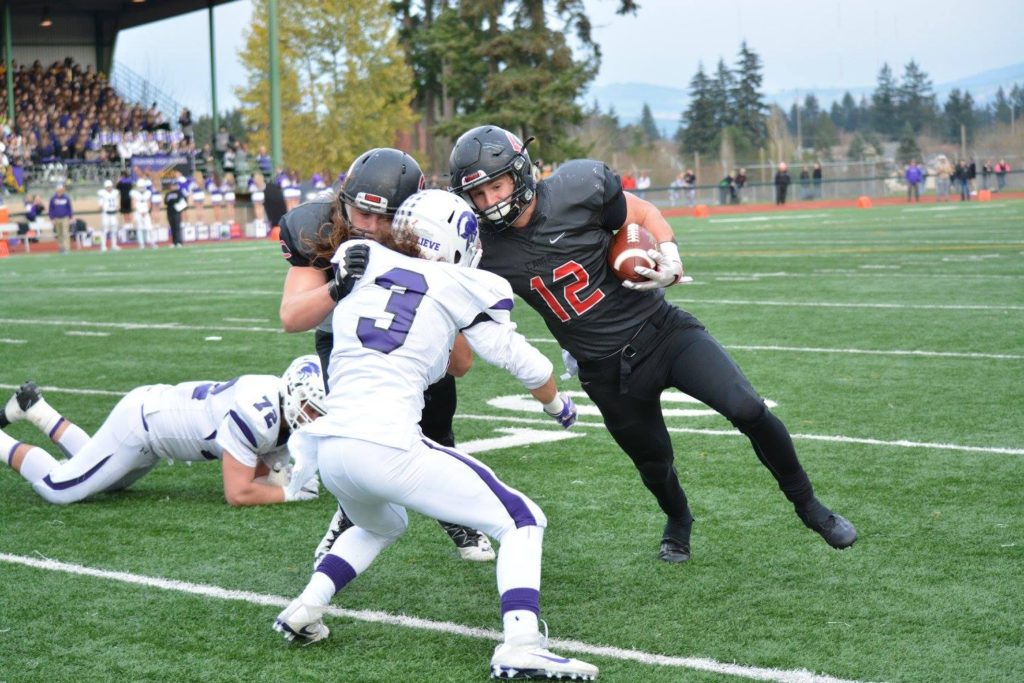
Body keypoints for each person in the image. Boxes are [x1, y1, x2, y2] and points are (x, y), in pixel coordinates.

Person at [448, 125, 856, 563]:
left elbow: (643, 214)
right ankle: (678, 519)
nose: (490, 202)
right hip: (604, 369)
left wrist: (670, 254)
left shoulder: (577, 189)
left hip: (663, 332)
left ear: (520, 172)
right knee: (654, 463)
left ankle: (810, 506)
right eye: (479, 194)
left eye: (497, 185)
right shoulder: (481, 250)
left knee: (748, 408)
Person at [272, 189, 597, 681]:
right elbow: (517, 359)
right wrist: (557, 403)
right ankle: (522, 643)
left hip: (333, 446)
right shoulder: (462, 281)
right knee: (523, 520)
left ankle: (305, 609)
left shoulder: (357, 259)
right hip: (387, 442)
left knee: (382, 525)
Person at [277, 147, 494, 563]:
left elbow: (461, 364)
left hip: (413, 335)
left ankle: (452, 513)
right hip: (344, 337)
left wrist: (441, 302)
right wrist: (336, 287)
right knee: (357, 432)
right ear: (344, 203)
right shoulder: (316, 227)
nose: (372, 228)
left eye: (385, 217)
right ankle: (347, 518)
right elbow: (291, 317)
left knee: (436, 420)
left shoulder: (427, 233)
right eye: (363, 214)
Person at [0, 356, 326, 506]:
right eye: (311, 408)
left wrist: (284, 474)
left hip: (153, 433)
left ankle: (35, 410)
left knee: (104, 481)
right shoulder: (257, 414)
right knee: (60, 489)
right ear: (294, 394)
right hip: (141, 424)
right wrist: (287, 492)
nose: (313, 417)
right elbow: (238, 493)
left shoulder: (276, 402)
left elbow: (261, 468)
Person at [130, 178, 157, 248]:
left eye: (142, 187)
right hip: (138, 213)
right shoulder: (134, 193)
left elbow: (149, 203)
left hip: (146, 212)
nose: (141, 188)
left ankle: (152, 242)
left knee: (149, 228)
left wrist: (146, 211)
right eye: (140, 187)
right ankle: (141, 244)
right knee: (139, 228)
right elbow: (133, 203)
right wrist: (139, 211)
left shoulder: (148, 193)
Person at [48, 183, 73, 254]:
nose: (60, 191)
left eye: (61, 190)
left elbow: (69, 208)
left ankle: (67, 249)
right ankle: (61, 248)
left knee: (65, 233)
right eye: (59, 190)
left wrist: (70, 217)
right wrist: (52, 218)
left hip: (65, 218)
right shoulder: (53, 198)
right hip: (56, 218)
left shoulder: (66, 198)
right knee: (59, 234)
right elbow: (51, 209)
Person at [97, 179, 121, 251]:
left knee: (114, 229)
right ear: (105, 187)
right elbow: (100, 205)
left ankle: (114, 245)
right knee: (105, 230)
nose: (109, 188)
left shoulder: (115, 193)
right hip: (106, 213)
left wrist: (117, 207)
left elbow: (117, 202)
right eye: (107, 187)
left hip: (113, 213)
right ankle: (103, 246)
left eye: (110, 186)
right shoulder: (102, 194)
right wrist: (102, 208)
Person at [164, 176, 187, 247]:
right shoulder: (168, 193)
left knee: (177, 227)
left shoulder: (179, 193)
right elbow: (166, 201)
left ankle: (179, 241)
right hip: (169, 212)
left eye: (174, 185)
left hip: (176, 212)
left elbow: (182, 201)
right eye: (172, 185)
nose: (173, 187)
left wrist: (175, 204)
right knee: (172, 227)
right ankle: (174, 242)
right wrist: (172, 202)